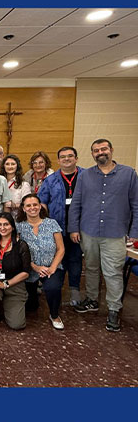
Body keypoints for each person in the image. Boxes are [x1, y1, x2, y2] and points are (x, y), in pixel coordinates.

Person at [68, 138, 138, 332]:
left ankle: (114, 309)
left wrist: (134, 232)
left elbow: (136, 205)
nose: (100, 152)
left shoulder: (128, 174)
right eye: (96, 150)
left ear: (111, 150)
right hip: (88, 230)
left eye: (103, 149)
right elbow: (76, 203)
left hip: (115, 233)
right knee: (91, 268)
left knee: (112, 272)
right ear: (92, 154)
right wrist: (74, 228)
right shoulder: (85, 175)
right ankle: (92, 300)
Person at [38, 146, 85, 306]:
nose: (66, 159)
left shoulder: (86, 176)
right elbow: (42, 202)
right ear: (58, 160)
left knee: (75, 259)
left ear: (76, 158)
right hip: (56, 227)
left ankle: (74, 290)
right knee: (57, 258)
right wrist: (45, 225)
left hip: (80, 227)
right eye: (63, 157)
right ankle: (55, 288)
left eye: (70, 156)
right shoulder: (50, 180)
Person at [17, 194, 66, 329]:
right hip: (29, 269)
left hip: (51, 267)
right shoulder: (18, 227)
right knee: (31, 306)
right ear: (23, 208)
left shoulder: (52, 224)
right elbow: (18, 252)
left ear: (40, 206)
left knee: (53, 287)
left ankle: (54, 315)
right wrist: (34, 267)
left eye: (35, 205)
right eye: (28, 205)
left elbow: (61, 249)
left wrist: (53, 268)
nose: (32, 208)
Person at [0, 212, 31, 330]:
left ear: (12, 227)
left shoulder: (21, 245)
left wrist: (5, 284)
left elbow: (26, 272)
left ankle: (8, 305)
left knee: (17, 325)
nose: (2, 228)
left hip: (14, 283)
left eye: (6, 224)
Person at [0, 154, 31, 220]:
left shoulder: (24, 185)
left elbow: (28, 204)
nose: (10, 166)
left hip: (17, 219)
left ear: (17, 166)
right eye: (7, 164)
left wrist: (15, 205)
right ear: (3, 166)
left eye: (13, 164)